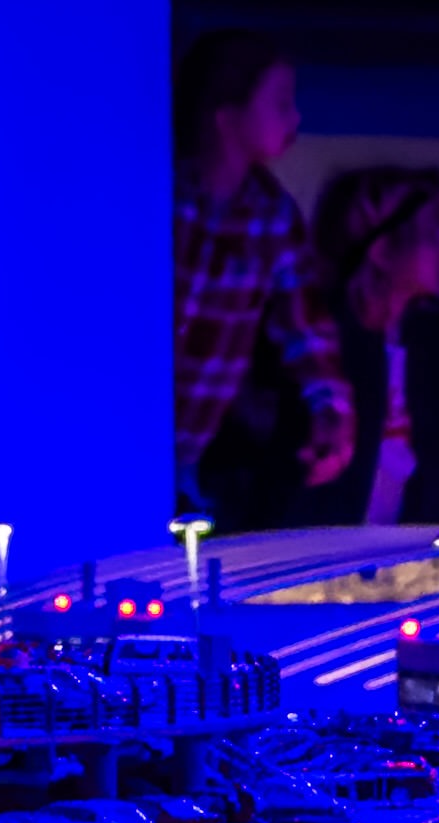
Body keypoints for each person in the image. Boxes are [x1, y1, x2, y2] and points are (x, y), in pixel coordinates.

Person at [211, 163, 439, 530]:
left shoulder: (428, 336)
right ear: (382, 249)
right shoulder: (319, 342)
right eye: (431, 230)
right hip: (309, 551)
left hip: (395, 554)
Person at [171, 35, 343, 513]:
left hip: (185, 457)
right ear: (226, 115)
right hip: (115, 434)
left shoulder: (273, 214)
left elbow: (305, 325)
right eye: (282, 103)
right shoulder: (161, 195)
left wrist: (330, 408)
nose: (296, 119)